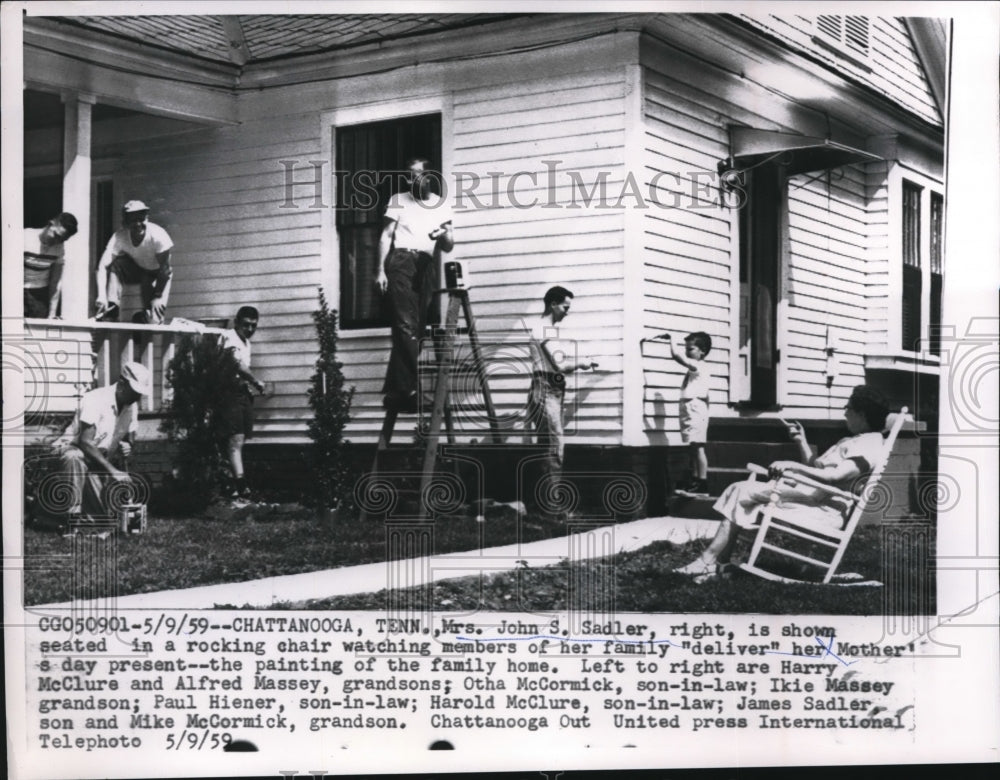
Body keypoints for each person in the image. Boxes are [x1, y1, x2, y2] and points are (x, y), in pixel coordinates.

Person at [674, 384, 891, 582]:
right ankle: (719, 563)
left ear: (861, 414)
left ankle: (709, 561)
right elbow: (818, 470)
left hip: (822, 508)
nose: (844, 412)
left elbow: (836, 477)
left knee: (740, 491)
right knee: (739, 491)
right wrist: (801, 441)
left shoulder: (869, 445)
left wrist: (791, 465)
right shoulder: (853, 440)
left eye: (848, 407)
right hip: (810, 497)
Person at [376, 157, 454, 413]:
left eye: (417, 175)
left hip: (426, 265)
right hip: (401, 261)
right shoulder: (399, 200)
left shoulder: (440, 204)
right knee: (405, 324)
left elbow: (449, 244)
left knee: (416, 329)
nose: (412, 180)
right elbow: (386, 236)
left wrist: (443, 234)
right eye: (409, 176)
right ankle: (411, 391)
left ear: (429, 176)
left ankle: (396, 391)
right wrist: (380, 271)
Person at [48, 362, 151, 525]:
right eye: (134, 392)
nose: (137, 397)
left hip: (95, 459)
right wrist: (113, 471)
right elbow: (85, 442)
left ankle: (45, 512)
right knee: (74, 457)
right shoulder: (95, 398)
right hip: (70, 450)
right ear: (122, 384)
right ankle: (71, 522)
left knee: (101, 521)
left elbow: (129, 437)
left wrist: (128, 446)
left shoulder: (132, 406)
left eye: (139, 394)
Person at [526, 286, 598, 504]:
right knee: (554, 446)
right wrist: (583, 363)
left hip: (549, 389)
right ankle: (552, 505)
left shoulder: (546, 329)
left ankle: (544, 503)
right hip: (546, 389)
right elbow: (560, 365)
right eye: (565, 307)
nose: (567, 312)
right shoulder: (544, 329)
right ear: (553, 304)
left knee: (547, 446)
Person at [95, 200, 174, 324]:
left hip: (158, 276)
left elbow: (165, 270)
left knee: (153, 321)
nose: (138, 224)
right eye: (133, 220)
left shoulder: (158, 235)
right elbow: (102, 266)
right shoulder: (119, 237)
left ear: (146, 218)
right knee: (117, 264)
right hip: (138, 269)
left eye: (141, 219)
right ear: (126, 222)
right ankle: (112, 308)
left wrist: (158, 296)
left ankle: (141, 318)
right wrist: (101, 295)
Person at [219, 306, 266, 501]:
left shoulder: (247, 343)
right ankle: (241, 486)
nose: (249, 329)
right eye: (246, 325)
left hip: (242, 394)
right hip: (229, 393)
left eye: (253, 326)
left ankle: (234, 484)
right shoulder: (229, 337)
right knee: (235, 439)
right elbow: (237, 365)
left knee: (242, 438)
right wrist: (256, 381)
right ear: (236, 322)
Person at [663, 331, 712, 496]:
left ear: (702, 351)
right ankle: (695, 480)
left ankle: (702, 483)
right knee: (693, 446)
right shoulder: (697, 369)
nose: (687, 352)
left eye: (690, 349)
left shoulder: (698, 366)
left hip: (694, 407)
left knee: (698, 447)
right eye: (686, 349)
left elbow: (676, 356)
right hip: (691, 407)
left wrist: (671, 339)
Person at [23, 212, 79, 319]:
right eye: (56, 235)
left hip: (39, 293)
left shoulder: (59, 249)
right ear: (50, 224)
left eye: (62, 239)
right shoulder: (25, 236)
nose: (57, 241)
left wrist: (52, 313)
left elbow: (55, 282)